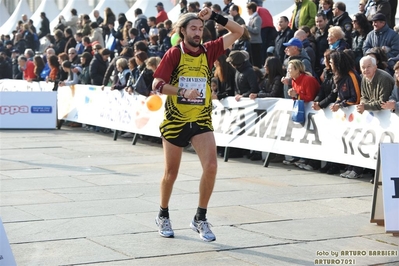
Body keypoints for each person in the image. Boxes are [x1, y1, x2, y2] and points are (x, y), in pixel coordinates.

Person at [151, 8, 244, 241]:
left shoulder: (209, 50)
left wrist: (214, 16)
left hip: (201, 119)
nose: (197, 32)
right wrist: (182, 91)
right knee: (171, 173)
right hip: (175, 120)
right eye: (193, 28)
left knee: (211, 166)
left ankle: (200, 218)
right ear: (182, 31)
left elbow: (239, 31)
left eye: (200, 29)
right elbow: (157, 85)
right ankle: (163, 214)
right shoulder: (174, 53)